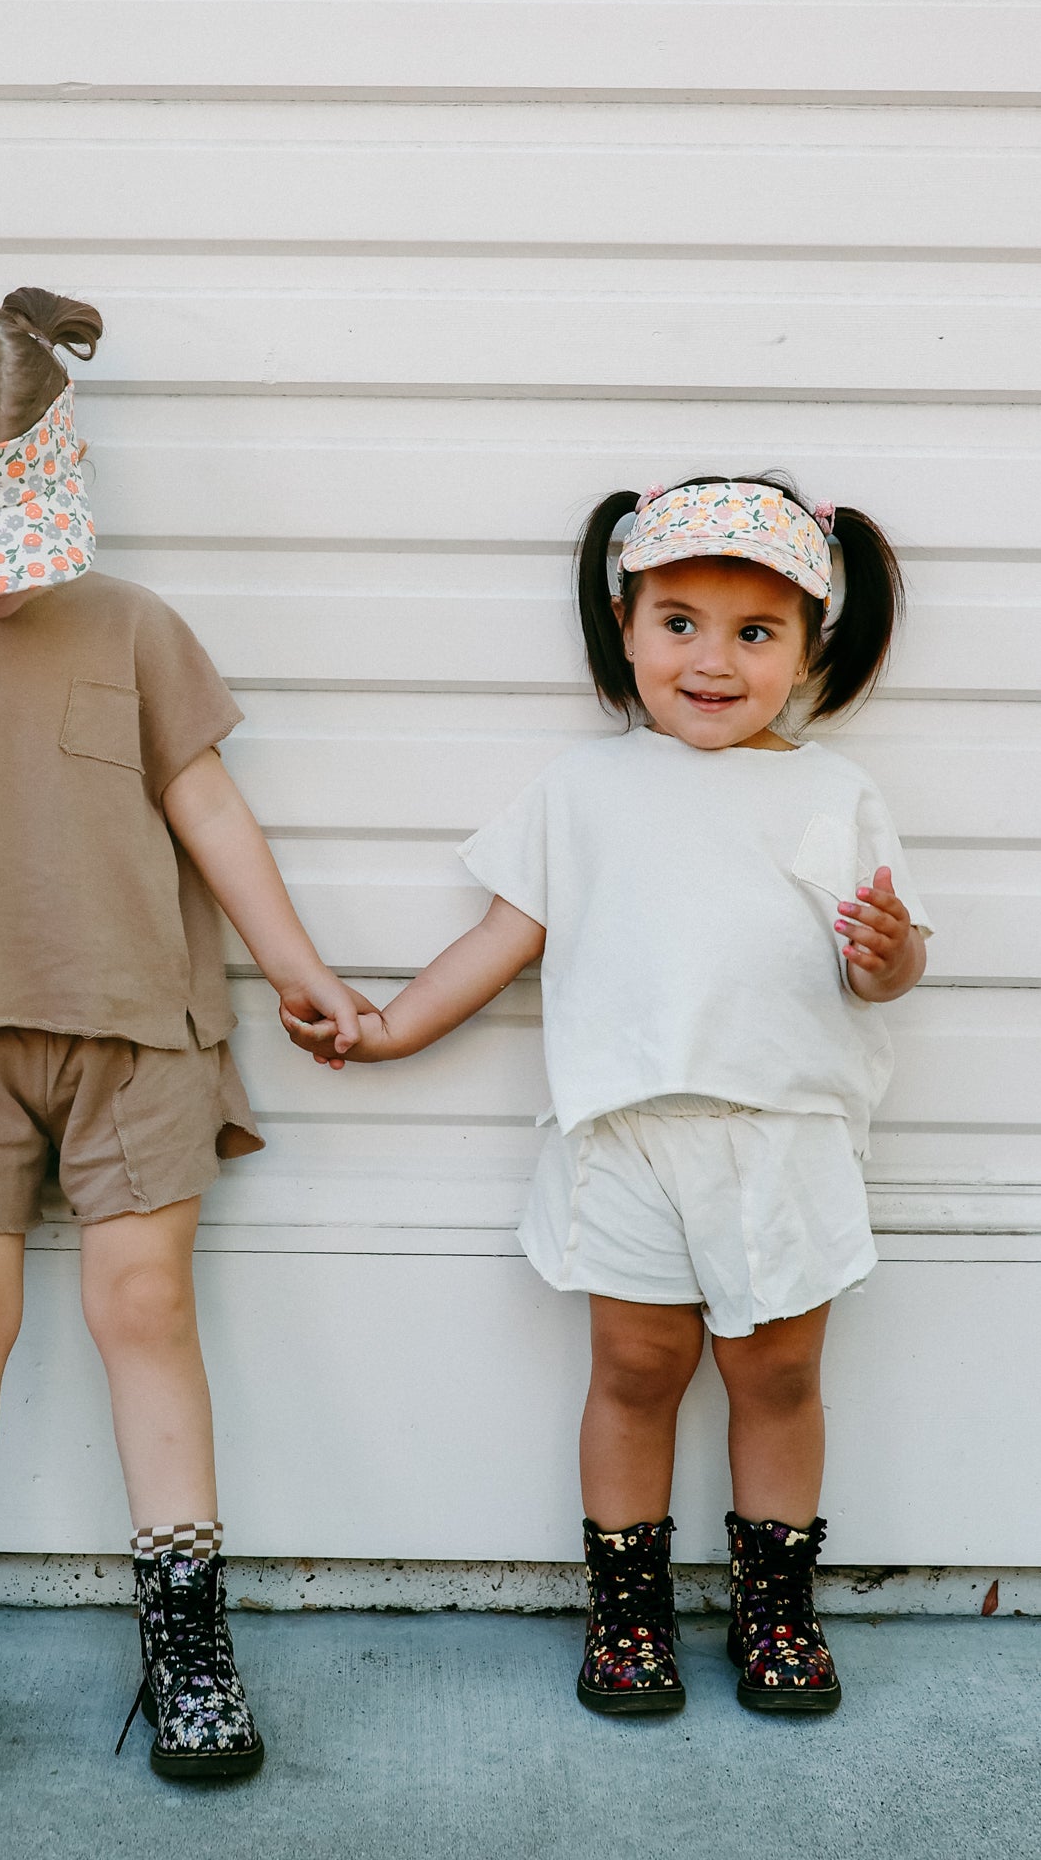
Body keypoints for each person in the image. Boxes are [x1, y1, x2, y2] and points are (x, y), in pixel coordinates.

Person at [0, 279, 361, 1791]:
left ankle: (187, 1637)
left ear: (63, 470)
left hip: (136, 1033)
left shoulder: (133, 626)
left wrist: (300, 971)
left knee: (143, 1313)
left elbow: (207, 807)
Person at [285, 476, 929, 1717]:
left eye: (756, 632)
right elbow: (499, 938)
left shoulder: (834, 794)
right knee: (634, 1368)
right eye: (679, 621)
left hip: (782, 1137)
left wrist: (888, 952)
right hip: (626, 1135)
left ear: (809, 650)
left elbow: (890, 967)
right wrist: (386, 1029)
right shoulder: (580, 793)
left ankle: (775, 1603)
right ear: (624, 624)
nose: (712, 659)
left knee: (779, 1376)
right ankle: (627, 1609)